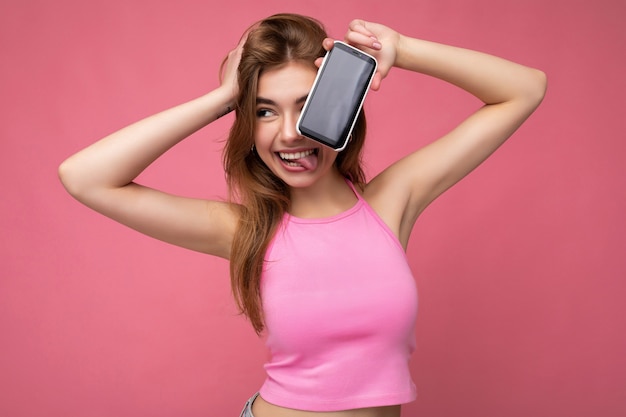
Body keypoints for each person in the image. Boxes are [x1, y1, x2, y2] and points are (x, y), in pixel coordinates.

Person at [58, 12, 546, 417]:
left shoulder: (391, 202)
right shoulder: (246, 229)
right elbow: (84, 176)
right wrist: (223, 98)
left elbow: (524, 89)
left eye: (308, 105)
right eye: (265, 112)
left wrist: (402, 49)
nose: (290, 133)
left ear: (345, 106)